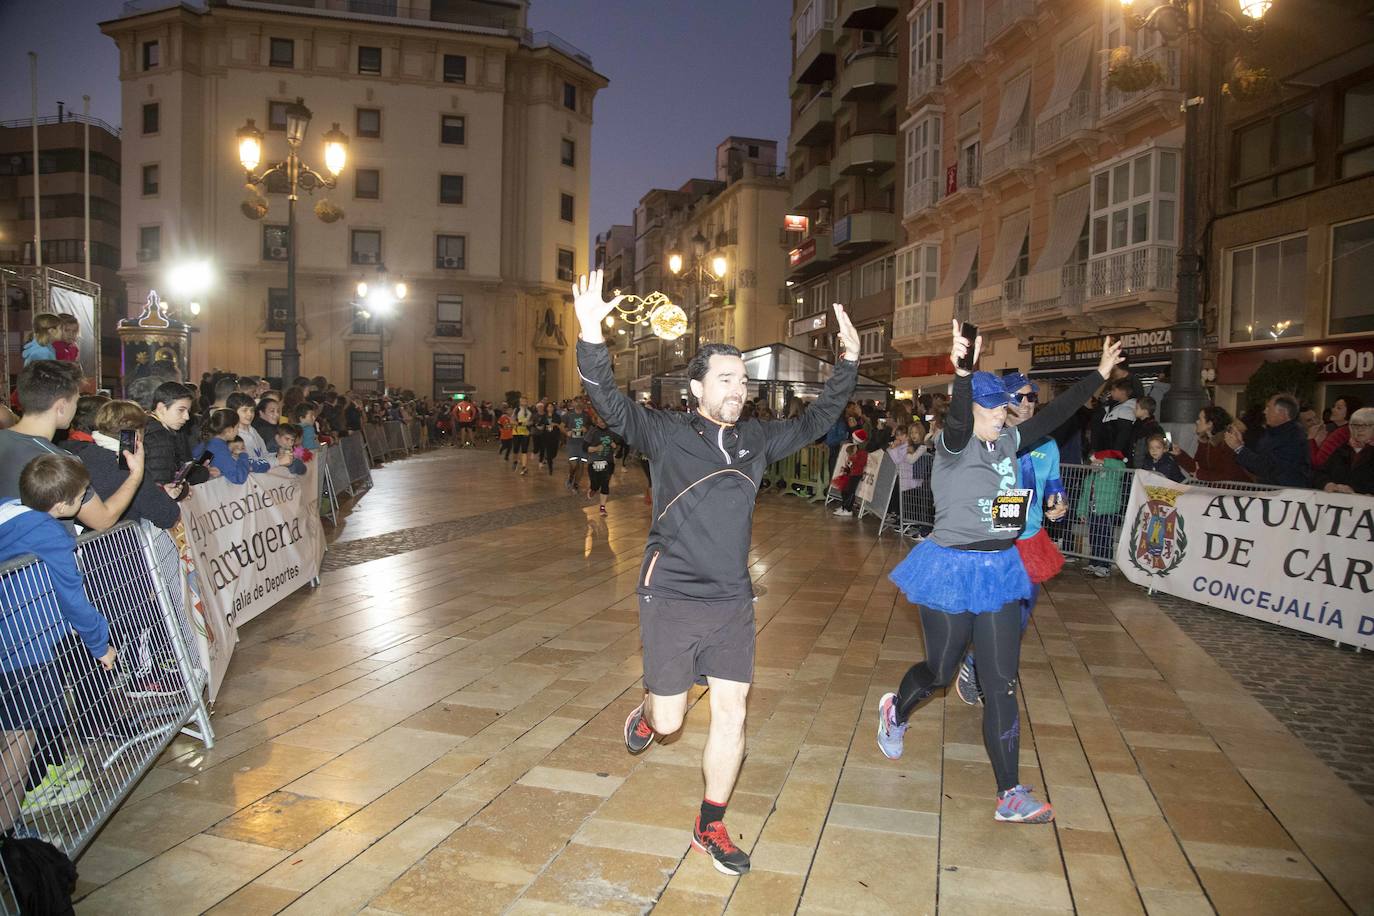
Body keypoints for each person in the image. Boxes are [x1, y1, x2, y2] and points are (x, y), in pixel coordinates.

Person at [572, 269, 859, 876]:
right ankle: (647, 715)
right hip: (670, 591)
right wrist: (591, 335)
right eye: (726, 378)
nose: (739, 388)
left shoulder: (755, 439)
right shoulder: (667, 434)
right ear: (697, 386)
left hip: (731, 596)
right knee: (672, 720)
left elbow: (812, 423)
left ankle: (711, 824)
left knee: (733, 710)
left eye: (743, 380)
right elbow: (610, 405)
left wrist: (848, 366)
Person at [876, 324, 1122, 826]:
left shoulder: (1008, 441)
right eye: (994, 408)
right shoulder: (954, 441)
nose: (1002, 415)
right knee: (940, 672)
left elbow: (1055, 413)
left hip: (999, 570)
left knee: (1001, 683)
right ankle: (896, 711)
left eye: (1004, 407)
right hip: (948, 568)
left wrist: (1097, 375)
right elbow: (962, 414)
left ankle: (1009, 793)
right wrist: (963, 374)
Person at [0, 454, 118, 814]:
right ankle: (6, 831)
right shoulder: (49, 535)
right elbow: (72, 595)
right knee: (20, 741)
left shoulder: (8, 512)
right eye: (81, 496)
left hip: (10, 639)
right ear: (59, 505)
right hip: (27, 647)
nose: (84, 502)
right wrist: (100, 643)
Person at [954, 371, 1070, 707]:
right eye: (1018, 397)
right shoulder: (990, 439)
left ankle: (980, 666)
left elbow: (1054, 485)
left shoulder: (1047, 444)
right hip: (994, 542)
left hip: (1031, 541)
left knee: (1019, 616)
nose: (1027, 403)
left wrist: (1057, 503)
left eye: (1032, 397)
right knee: (986, 612)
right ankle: (986, 669)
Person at [0, 361, 143, 531]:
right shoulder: (60, 462)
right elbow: (103, 519)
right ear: (61, 407)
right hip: (51, 554)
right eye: (75, 401)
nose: (75, 407)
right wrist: (136, 474)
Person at [75, 400, 182, 529]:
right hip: (123, 544)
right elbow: (167, 516)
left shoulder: (84, 454)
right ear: (136, 433)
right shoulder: (127, 466)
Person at [1224, 394, 1310, 487]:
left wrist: (1239, 449)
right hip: (1270, 491)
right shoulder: (1273, 433)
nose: (1264, 411)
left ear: (1282, 413)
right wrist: (1241, 444)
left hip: (1287, 495)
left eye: (1269, 408)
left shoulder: (1294, 438)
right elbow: (1258, 459)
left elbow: (1269, 467)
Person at [144, 381, 212, 490]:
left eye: (188, 411)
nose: (187, 417)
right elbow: (162, 485)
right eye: (181, 410)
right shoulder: (159, 437)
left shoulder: (148, 428)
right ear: (161, 408)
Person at [1078, 449, 1128, 577]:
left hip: (1106, 512)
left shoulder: (1113, 474)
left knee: (1104, 539)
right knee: (1094, 537)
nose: (1095, 466)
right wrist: (1082, 512)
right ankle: (1094, 562)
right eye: (1093, 463)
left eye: (1098, 463)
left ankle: (1104, 565)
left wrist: (1104, 461)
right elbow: (1084, 496)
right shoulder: (1089, 478)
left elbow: (1121, 466)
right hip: (1093, 512)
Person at [1172, 406, 1251, 483]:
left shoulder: (1228, 443)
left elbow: (1229, 476)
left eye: (1200, 419)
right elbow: (1196, 467)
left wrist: (1201, 474)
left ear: (1209, 424)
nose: (1197, 421)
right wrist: (1179, 454)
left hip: (1239, 490)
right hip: (1220, 490)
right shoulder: (1205, 442)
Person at [195, 409, 270, 483]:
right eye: (237, 427)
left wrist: (249, 466)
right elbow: (239, 477)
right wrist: (243, 455)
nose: (238, 431)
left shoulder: (208, 442)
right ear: (230, 430)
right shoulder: (219, 449)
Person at [1315, 407, 1374, 495]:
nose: (1359, 429)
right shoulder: (1343, 449)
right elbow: (1319, 474)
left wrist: (1355, 491)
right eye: (1355, 425)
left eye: (1366, 425)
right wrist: (1327, 484)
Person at [1091, 378, 1136, 456]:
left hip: (1114, 456)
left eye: (1114, 390)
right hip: (1105, 452)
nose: (1111, 392)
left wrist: (1114, 454)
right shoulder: (1112, 407)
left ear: (1123, 392)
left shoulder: (1127, 410)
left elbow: (1122, 437)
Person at [830, 428, 869, 518]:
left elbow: (860, 463)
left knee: (850, 492)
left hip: (856, 474)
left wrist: (853, 457)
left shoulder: (862, 452)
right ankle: (844, 506)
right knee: (844, 490)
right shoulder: (854, 448)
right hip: (850, 472)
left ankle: (848, 509)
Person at [584, 414, 618, 514]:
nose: (602, 423)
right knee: (595, 484)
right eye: (600, 420)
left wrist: (614, 445)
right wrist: (596, 448)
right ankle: (593, 488)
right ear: (596, 421)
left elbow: (618, 444)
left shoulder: (612, 431)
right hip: (594, 461)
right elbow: (585, 447)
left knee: (605, 483)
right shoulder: (593, 431)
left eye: (604, 421)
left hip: (608, 461)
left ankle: (602, 507)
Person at [563, 397, 591, 492]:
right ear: (573, 403)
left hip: (583, 443)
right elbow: (561, 425)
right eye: (576, 402)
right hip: (572, 444)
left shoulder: (586, 415)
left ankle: (576, 484)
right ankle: (571, 476)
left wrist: (587, 429)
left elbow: (591, 426)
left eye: (580, 401)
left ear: (583, 403)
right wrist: (567, 432)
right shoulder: (569, 415)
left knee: (582, 465)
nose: (579, 404)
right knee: (574, 464)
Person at [1128, 396, 1162, 469]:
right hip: (1134, 463)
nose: (1134, 410)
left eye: (1137, 408)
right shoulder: (1137, 425)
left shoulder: (1152, 428)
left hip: (1144, 465)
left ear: (1145, 411)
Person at [511, 398, 533, 475]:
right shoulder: (516, 410)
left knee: (524, 450)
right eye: (522, 401)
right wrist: (519, 423)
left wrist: (529, 423)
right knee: (516, 449)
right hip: (516, 432)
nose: (524, 403)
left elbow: (532, 421)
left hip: (525, 433)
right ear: (520, 402)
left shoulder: (530, 411)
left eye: (525, 401)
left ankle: (524, 467)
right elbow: (512, 421)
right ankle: (515, 461)